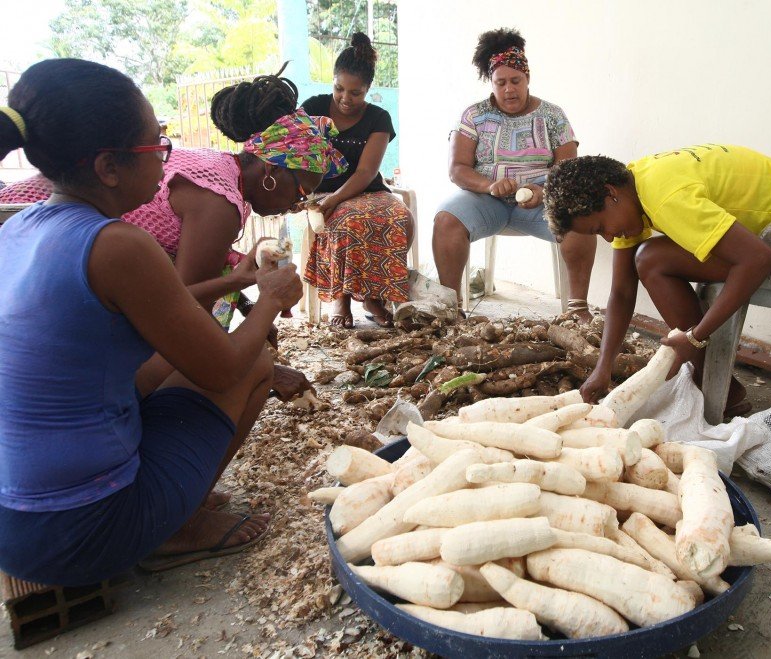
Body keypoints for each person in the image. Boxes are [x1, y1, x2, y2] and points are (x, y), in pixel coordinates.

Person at [0, 58, 326, 585]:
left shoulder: (21, 226)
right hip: (79, 534)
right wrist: (269, 300)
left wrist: (239, 285)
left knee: (155, 372)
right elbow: (220, 369)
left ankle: (174, 494)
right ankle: (180, 528)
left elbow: (165, 305)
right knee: (254, 365)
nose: (169, 161)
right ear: (108, 168)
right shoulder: (118, 244)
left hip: (14, 526)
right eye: (157, 145)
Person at [0, 69, 345, 402]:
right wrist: (266, 314)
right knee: (249, 364)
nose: (296, 205)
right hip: (88, 424)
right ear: (272, 170)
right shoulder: (212, 206)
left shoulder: (218, 166)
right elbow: (182, 314)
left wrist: (243, 292)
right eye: (300, 192)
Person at [543, 145, 771, 416]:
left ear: (610, 194)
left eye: (600, 228)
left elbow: (759, 259)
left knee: (652, 260)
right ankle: (719, 384)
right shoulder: (633, 186)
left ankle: (715, 383)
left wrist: (694, 336)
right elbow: (622, 292)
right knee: (650, 258)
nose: (609, 237)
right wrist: (604, 366)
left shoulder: (665, 198)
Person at [432, 28, 597, 320]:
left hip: (541, 202)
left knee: (581, 219)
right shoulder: (474, 115)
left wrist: (543, 192)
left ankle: (577, 309)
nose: (509, 89)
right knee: (447, 220)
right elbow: (457, 169)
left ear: (528, 78)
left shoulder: (553, 115)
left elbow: (568, 170)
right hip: (486, 200)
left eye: (516, 81)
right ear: (491, 83)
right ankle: (451, 308)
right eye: (501, 82)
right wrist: (489, 185)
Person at [301, 32, 412, 329]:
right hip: (320, 191)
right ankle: (342, 296)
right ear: (333, 81)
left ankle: (374, 296)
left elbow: (365, 173)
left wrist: (335, 199)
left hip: (366, 189)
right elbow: (295, 154)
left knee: (400, 216)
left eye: (356, 93)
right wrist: (317, 197)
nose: (345, 99)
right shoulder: (313, 108)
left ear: (368, 89)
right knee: (350, 222)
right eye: (339, 89)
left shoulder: (378, 118)